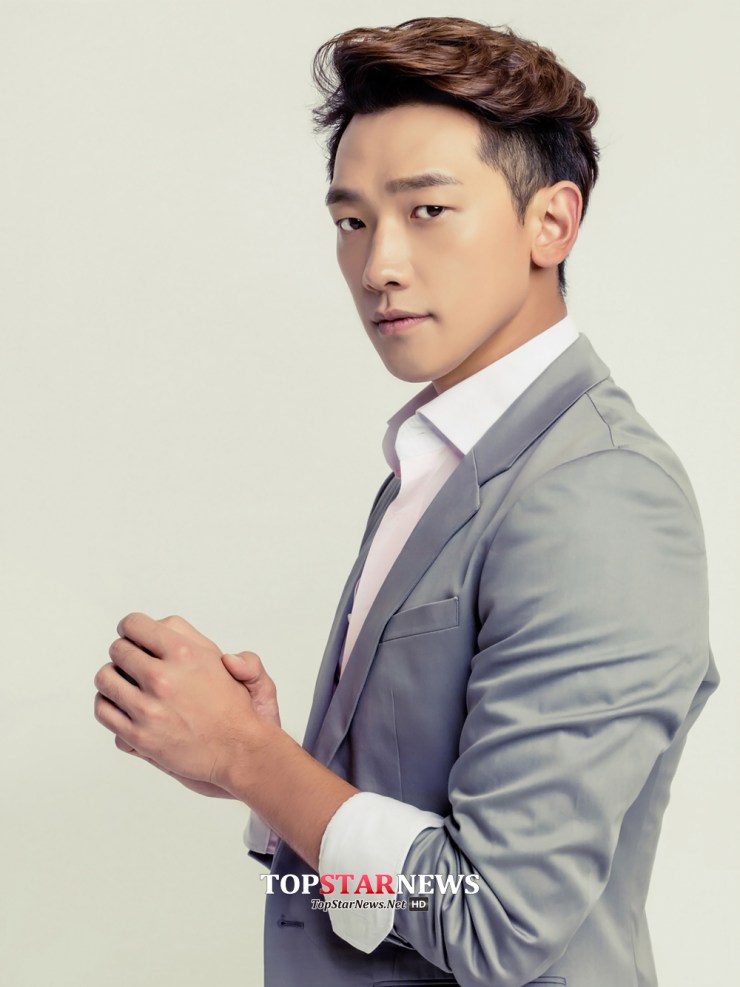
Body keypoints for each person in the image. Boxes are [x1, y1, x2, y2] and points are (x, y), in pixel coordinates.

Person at [93, 16, 718, 987]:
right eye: (351, 222)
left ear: (551, 223)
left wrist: (252, 757)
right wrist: (252, 760)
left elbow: (500, 919)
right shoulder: (442, 457)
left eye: (427, 210)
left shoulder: (599, 493)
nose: (378, 264)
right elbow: (405, 828)